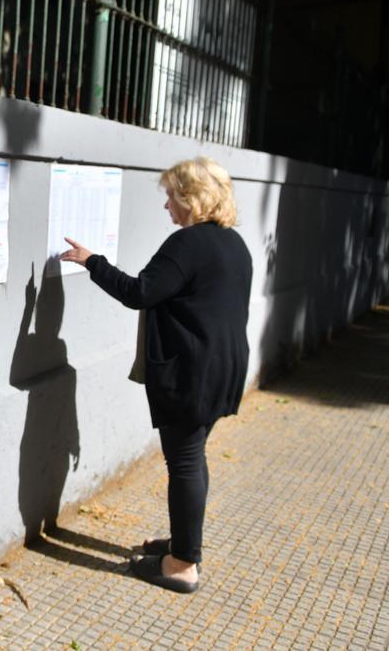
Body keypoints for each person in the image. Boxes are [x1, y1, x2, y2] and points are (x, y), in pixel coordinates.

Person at [60, 156, 252, 594]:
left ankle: (182, 565)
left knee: (184, 463)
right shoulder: (232, 244)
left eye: (171, 196)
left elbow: (140, 292)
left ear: (190, 197)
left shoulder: (187, 244)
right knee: (193, 458)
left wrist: (92, 261)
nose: (167, 206)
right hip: (223, 369)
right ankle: (185, 544)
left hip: (192, 373)